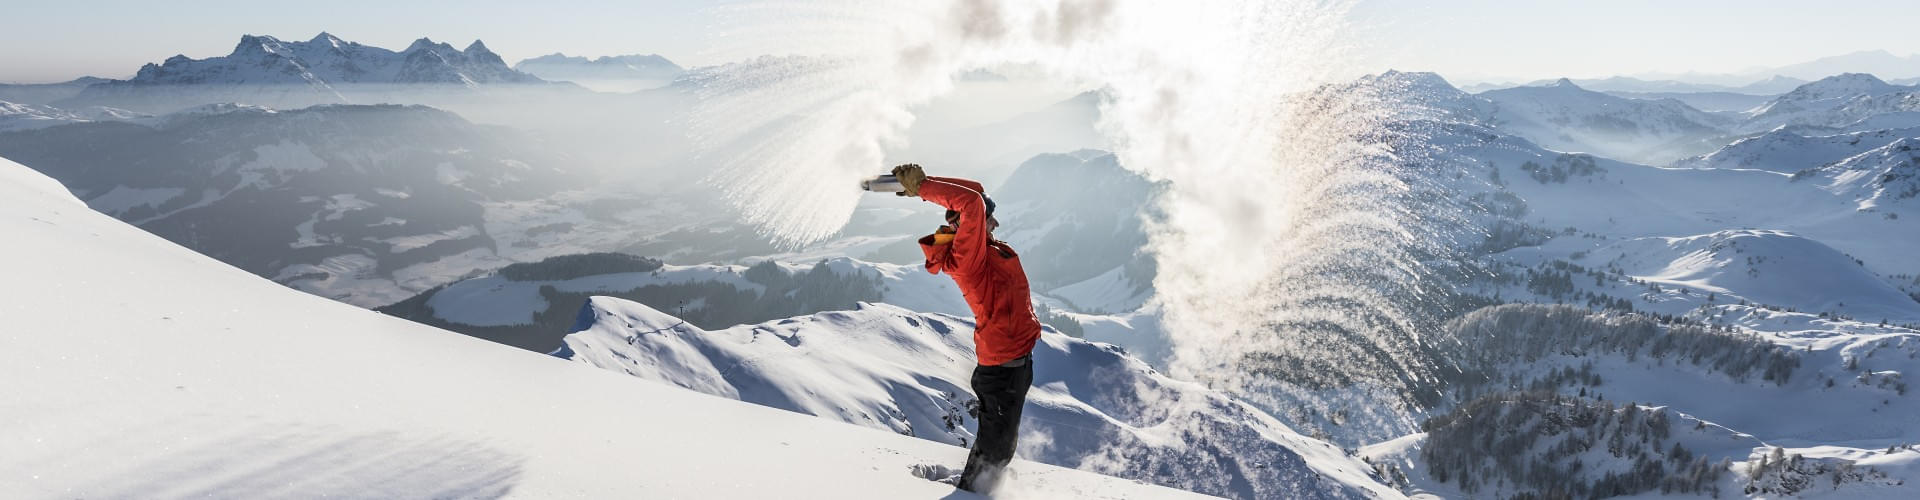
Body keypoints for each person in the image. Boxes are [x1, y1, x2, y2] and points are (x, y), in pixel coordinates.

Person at [890, 163, 1042, 493]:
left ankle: (982, 485)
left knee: (1001, 443)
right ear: (968, 227)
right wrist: (925, 188)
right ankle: (972, 492)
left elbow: (976, 191)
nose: (996, 223)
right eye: (990, 219)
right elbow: (972, 202)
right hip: (1002, 367)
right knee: (997, 447)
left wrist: (925, 186)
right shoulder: (968, 259)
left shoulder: (980, 249)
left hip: (1015, 362)